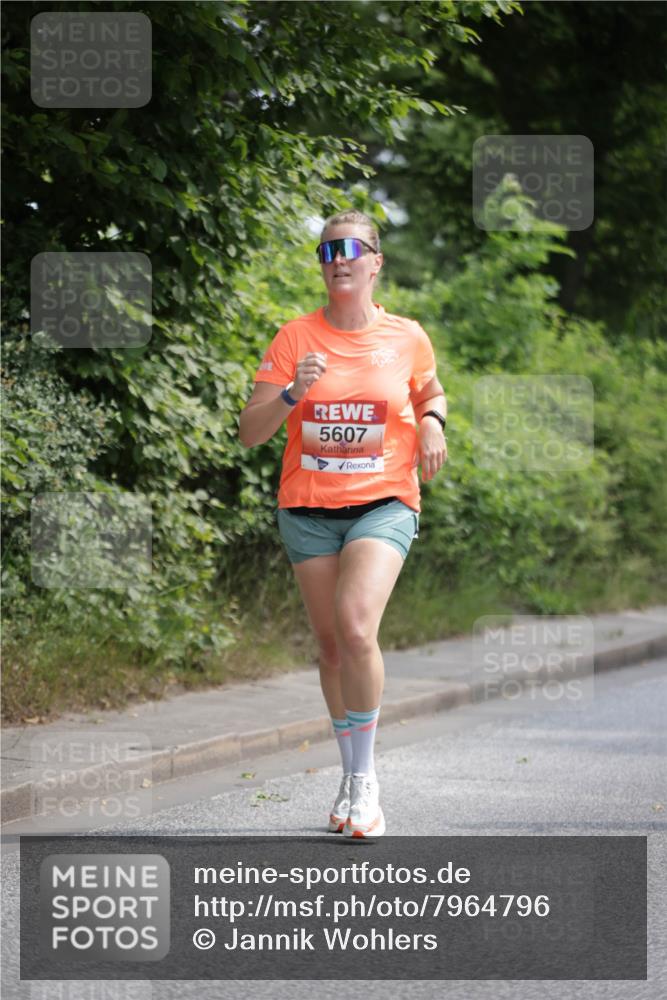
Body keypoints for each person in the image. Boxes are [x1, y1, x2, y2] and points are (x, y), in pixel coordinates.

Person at [239, 209, 447, 838]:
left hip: (384, 502)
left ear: (376, 262)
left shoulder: (406, 336)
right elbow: (249, 433)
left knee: (356, 627)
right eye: (328, 251)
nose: (339, 260)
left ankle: (365, 780)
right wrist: (291, 394)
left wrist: (433, 424)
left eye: (352, 249)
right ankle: (349, 772)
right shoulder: (294, 338)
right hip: (307, 510)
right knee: (330, 646)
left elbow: (429, 392)